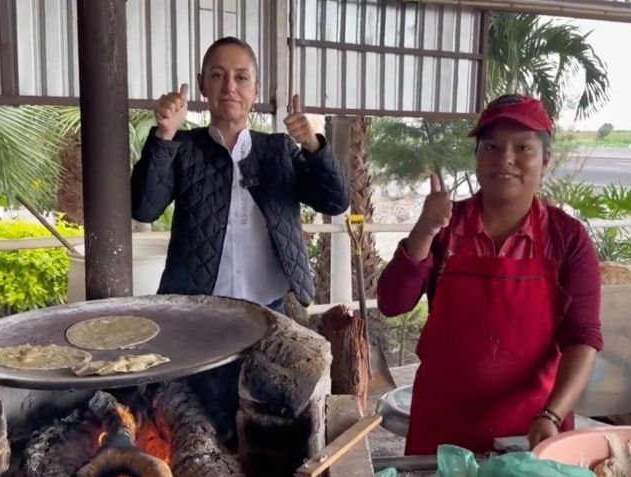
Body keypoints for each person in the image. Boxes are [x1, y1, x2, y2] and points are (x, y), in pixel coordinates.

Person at [376, 94, 603, 454]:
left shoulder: (567, 238)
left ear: (545, 161)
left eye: (523, 148)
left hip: (531, 429)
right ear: (478, 156)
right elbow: (392, 302)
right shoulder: (446, 228)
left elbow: (584, 338)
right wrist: (424, 229)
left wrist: (553, 415)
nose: (506, 159)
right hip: (443, 424)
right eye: (492, 146)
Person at [131, 37, 349, 311]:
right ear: (202, 85)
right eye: (218, 75)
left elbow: (335, 202)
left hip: (272, 310)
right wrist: (164, 135)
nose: (230, 87)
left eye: (242, 77)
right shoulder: (183, 147)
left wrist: (312, 145)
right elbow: (143, 209)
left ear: (256, 90)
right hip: (198, 312)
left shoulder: (279, 150)